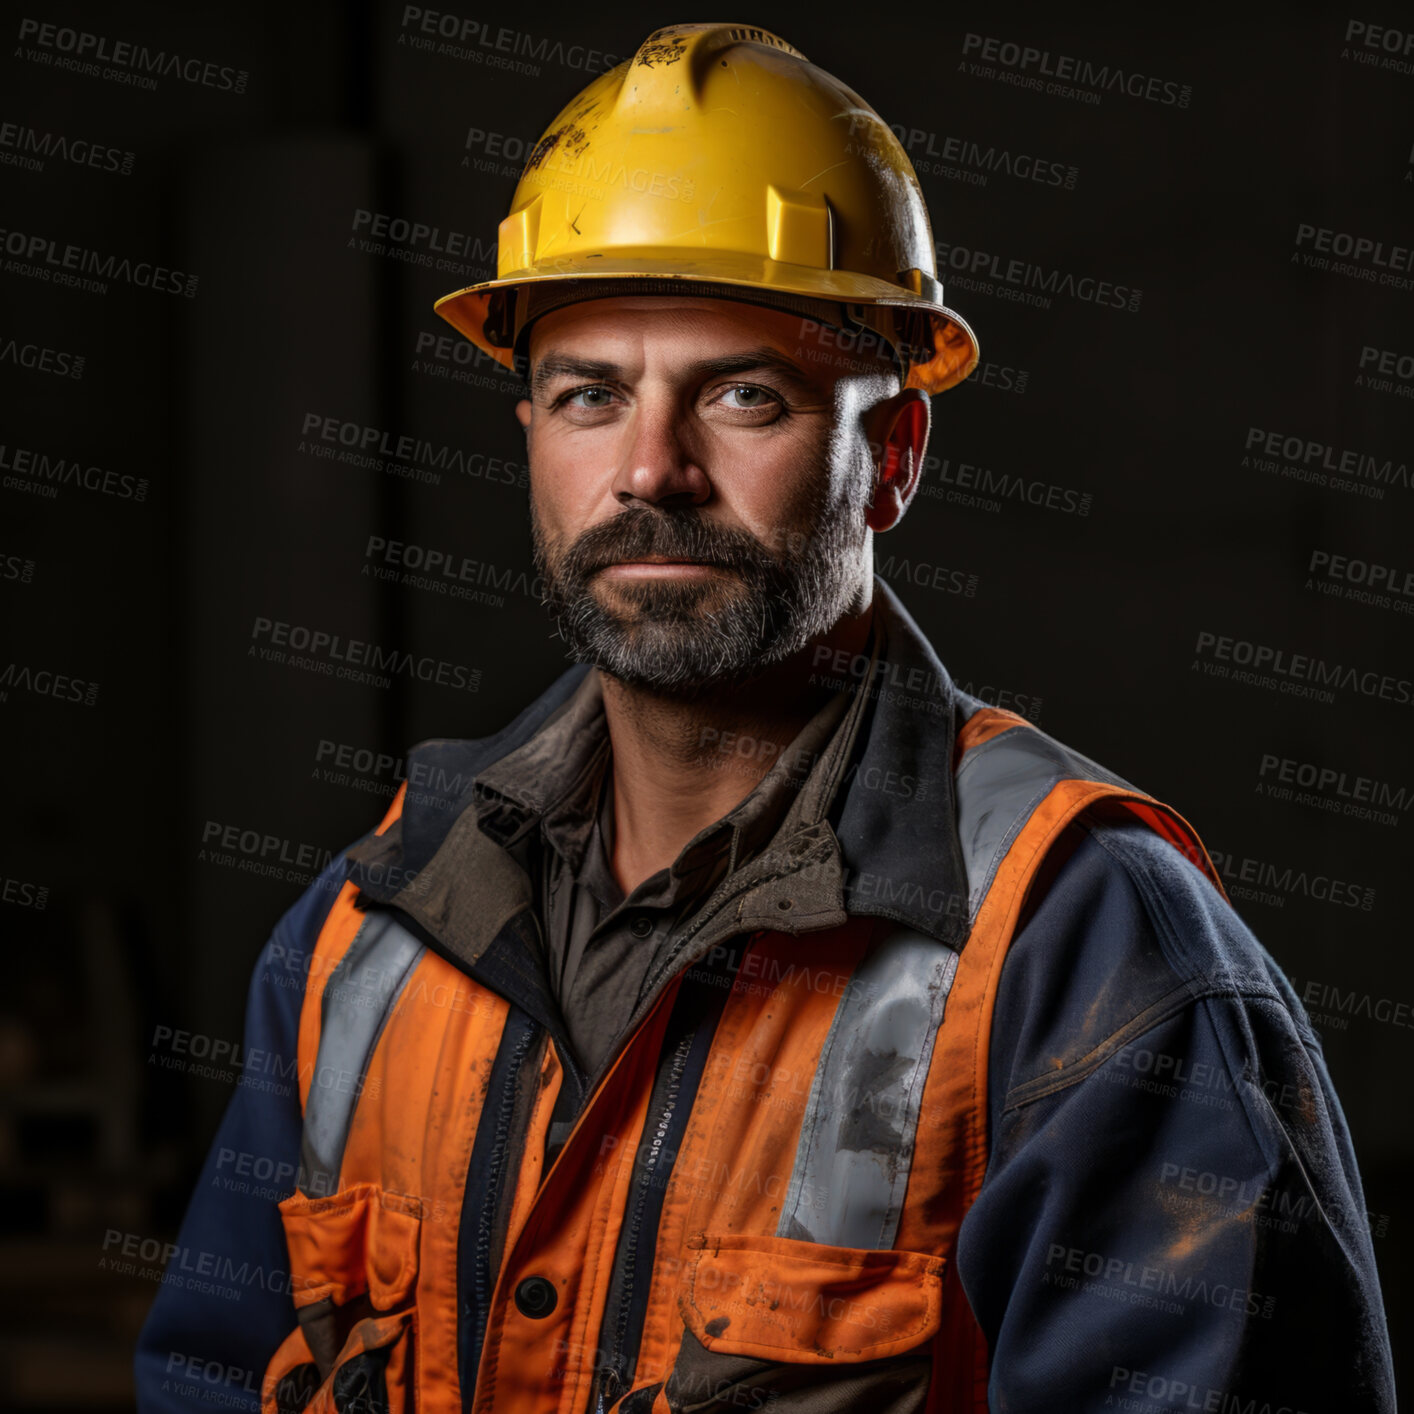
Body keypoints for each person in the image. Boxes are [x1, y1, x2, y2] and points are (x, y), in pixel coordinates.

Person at [135, 22, 1395, 1414]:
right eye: (587, 394)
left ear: (892, 460)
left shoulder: (1090, 962)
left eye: (746, 393)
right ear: (531, 442)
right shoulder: (367, 933)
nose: (649, 469)